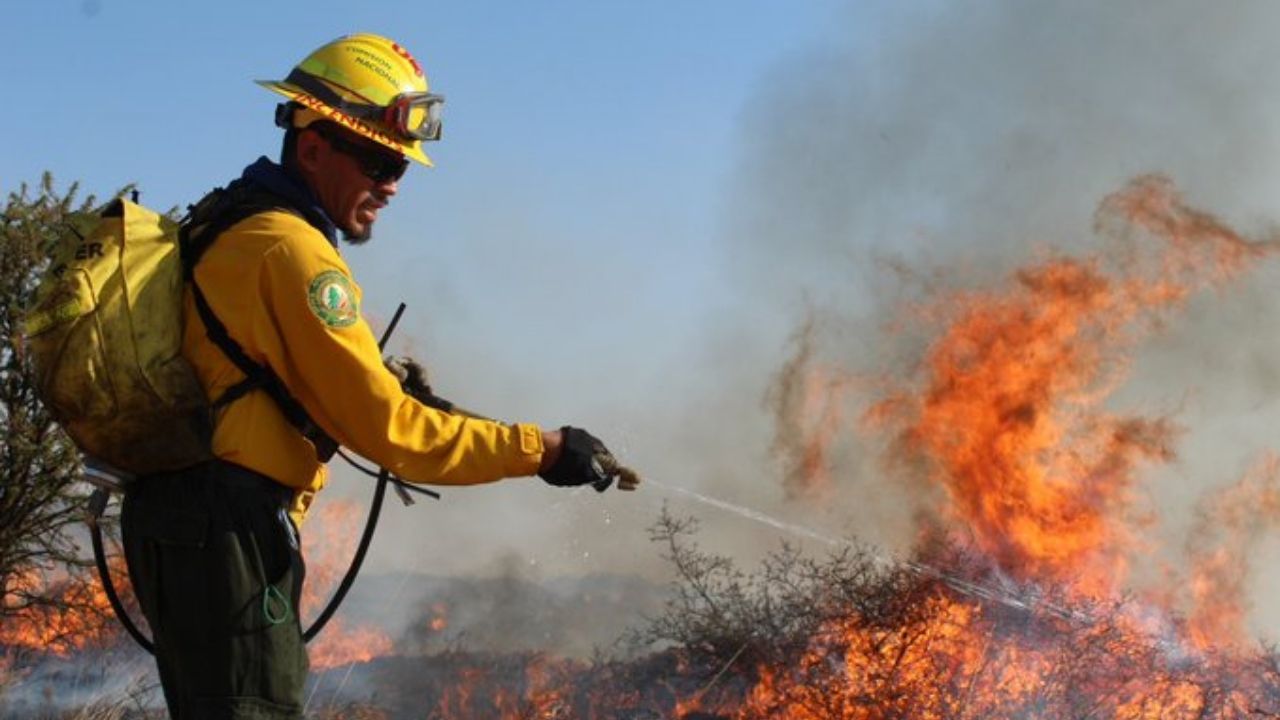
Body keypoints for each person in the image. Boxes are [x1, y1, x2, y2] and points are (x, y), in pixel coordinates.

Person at [119, 33, 632, 719]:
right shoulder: (292, 253)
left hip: (193, 523)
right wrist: (541, 449)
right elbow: (396, 436)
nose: (391, 185)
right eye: (377, 160)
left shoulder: (236, 223)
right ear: (312, 147)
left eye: (401, 167)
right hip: (227, 530)